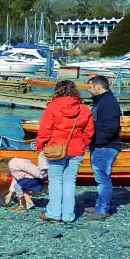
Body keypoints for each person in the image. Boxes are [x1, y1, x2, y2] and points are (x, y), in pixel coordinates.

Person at [35, 80, 94, 225]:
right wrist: (82, 144)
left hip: (56, 149)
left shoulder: (52, 107)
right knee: (70, 181)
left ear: (58, 90)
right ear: (75, 91)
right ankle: (68, 215)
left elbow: (45, 129)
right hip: (76, 149)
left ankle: (54, 213)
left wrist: (40, 145)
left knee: (55, 181)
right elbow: (89, 131)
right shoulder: (84, 108)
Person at [87, 74, 121, 220]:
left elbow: (111, 127)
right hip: (101, 145)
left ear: (98, 86)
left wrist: (99, 142)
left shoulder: (108, 103)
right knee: (101, 178)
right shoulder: (102, 101)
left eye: (90, 87)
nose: (88, 90)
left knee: (103, 179)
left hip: (105, 146)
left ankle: (102, 210)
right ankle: (100, 206)